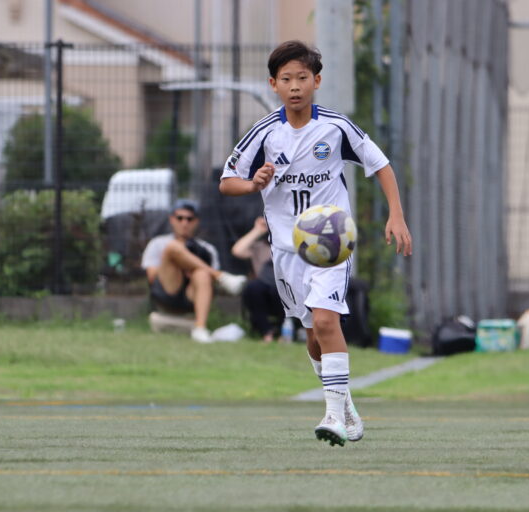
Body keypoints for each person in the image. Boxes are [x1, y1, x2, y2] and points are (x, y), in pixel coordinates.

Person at [219, 40, 412, 446]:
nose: (295, 86)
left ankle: (333, 416)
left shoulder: (335, 127)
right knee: (311, 334)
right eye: (286, 79)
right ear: (273, 84)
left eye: (302, 78)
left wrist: (396, 215)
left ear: (317, 81)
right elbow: (227, 181)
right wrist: (252, 184)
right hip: (286, 251)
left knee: (326, 322)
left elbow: (380, 164)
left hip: (331, 241)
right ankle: (344, 404)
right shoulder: (265, 132)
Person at [141, 198, 247, 343]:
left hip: (191, 294)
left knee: (202, 274)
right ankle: (222, 277)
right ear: (172, 219)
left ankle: (200, 328)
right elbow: (152, 277)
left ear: (196, 221)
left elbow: (211, 286)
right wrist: (180, 263)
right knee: (172, 248)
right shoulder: (158, 243)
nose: (184, 223)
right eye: (180, 218)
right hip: (167, 289)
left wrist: (194, 269)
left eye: (189, 219)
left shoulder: (207, 249)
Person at [231, 216, 284, 342]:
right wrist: (258, 230)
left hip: (285, 292)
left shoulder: (292, 247)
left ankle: (285, 333)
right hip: (262, 292)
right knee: (254, 288)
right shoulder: (260, 247)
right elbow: (237, 250)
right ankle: (266, 333)